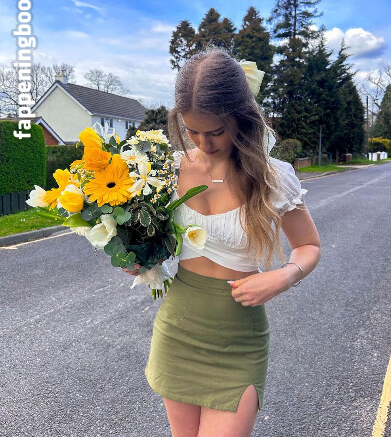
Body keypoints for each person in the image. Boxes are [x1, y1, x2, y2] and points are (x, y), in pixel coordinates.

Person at [123, 46, 321, 437]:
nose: (204, 142)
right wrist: (139, 258)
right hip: (178, 329)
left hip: (239, 340)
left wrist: (284, 276)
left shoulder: (273, 177)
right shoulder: (165, 171)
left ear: (241, 118)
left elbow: (309, 247)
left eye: (216, 131)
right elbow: (152, 242)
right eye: (192, 130)